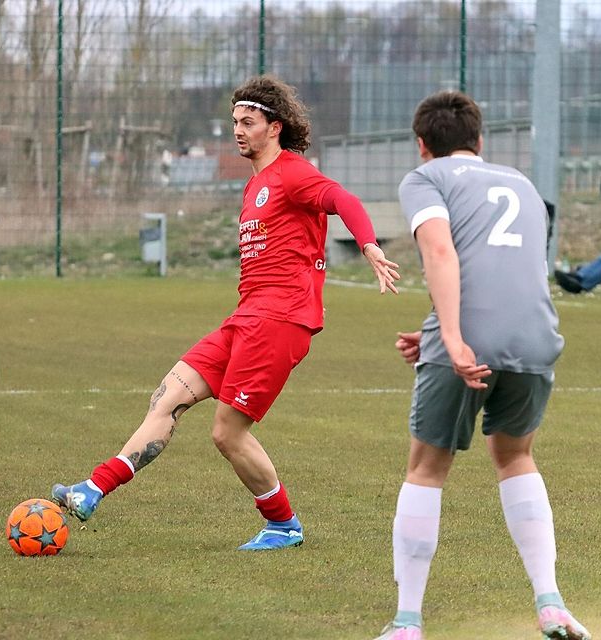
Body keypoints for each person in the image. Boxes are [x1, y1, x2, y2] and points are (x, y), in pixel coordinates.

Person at [50, 75, 401, 551]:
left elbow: (343, 200)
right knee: (168, 394)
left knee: (227, 432)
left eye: (248, 122)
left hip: (281, 320)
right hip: (246, 317)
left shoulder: (293, 173)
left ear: (274, 127)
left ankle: (283, 525)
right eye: (234, 121)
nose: (238, 130)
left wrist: (369, 245)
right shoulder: (256, 183)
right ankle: (91, 490)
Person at [374, 91, 590, 640]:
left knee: (426, 468)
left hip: (468, 336)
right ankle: (551, 604)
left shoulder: (424, 179)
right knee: (516, 456)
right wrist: (433, 338)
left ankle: (406, 623)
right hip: (538, 336)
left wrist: (449, 337)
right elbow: (508, 271)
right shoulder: (520, 182)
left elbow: (443, 254)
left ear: (422, 145)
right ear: (480, 141)